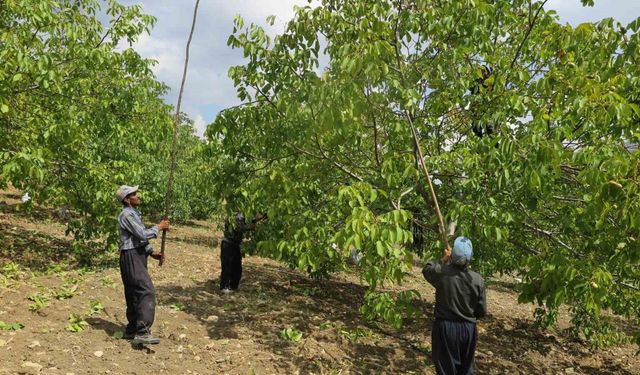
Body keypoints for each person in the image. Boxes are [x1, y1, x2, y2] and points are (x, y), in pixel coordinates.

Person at [422, 236, 486, 375]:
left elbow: (427, 270)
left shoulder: (442, 273)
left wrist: (443, 259)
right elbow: (481, 311)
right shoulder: (477, 279)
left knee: (446, 369)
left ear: (452, 255)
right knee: (466, 369)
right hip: (468, 329)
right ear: (470, 258)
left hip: (446, 328)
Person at [116, 185, 169, 345]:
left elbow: (138, 239)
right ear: (127, 199)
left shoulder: (133, 213)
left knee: (133, 291)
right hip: (131, 256)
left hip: (134, 254)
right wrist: (158, 227)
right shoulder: (127, 215)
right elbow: (141, 233)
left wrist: (150, 252)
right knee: (146, 291)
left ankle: (132, 329)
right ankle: (143, 331)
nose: (138, 196)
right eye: (134, 194)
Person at [219, 211, 266, 293]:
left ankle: (233, 286)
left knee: (237, 267)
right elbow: (239, 228)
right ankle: (224, 287)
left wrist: (259, 219)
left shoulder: (243, 215)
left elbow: (249, 220)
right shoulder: (234, 215)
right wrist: (252, 226)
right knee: (227, 266)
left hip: (236, 244)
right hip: (228, 244)